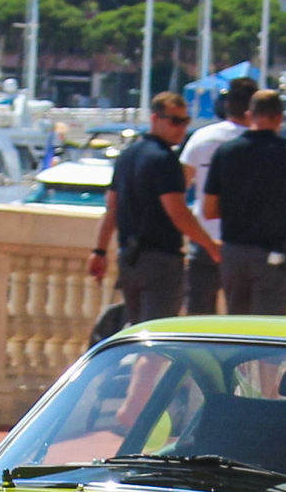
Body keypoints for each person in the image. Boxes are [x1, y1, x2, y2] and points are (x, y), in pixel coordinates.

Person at [89, 91, 220, 327]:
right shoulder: (165, 159)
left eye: (185, 121)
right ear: (154, 119)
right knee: (156, 338)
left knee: (138, 334)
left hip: (129, 259)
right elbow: (177, 211)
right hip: (160, 263)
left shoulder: (127, 155)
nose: (181, 128)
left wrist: (99, 251)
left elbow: (112, 208)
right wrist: (209, 245)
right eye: (174, 121)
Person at [202, 88, 286, 315]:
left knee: (237, 328)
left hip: (234, 254)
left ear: (249, 115)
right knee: (268, 331)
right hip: (272, 254)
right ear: (279, 117)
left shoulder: (226, 152)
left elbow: (209, 210)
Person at [177, 77, 255, 313]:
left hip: (203, 238)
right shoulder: (259, 144)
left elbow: (179, 188)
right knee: (243, 323)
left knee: (198, 317)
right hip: (244, 244)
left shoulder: (202, 138)